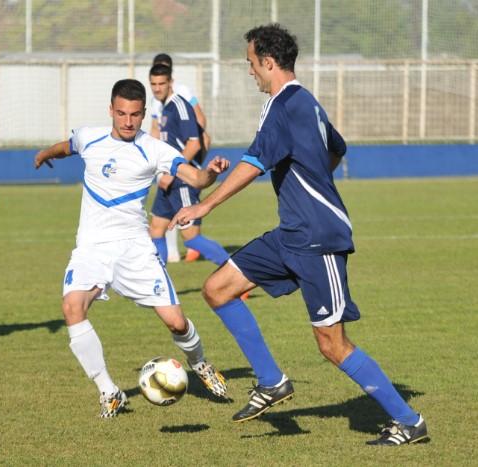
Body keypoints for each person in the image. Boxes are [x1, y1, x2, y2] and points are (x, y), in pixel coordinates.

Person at [169, 24, 428, 446]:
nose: (250, 71)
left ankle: (408, 420)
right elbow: (336, 149)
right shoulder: (304, 101)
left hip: (318, 238)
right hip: (292, 232)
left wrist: (204, 205)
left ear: (268, 63)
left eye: (251, 63)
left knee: (332, 344)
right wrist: (311, 175)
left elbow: (254, 162)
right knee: (217, 289)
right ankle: (272, 381)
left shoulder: (284, 105)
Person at [34, 78, 229, 418]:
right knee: (71, 308)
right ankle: (109, 391)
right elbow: (67, 146)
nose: (128, 121)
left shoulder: (153, 149)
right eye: (121, 113)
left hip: (135, 249)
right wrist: (44, 154)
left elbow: (195, 179)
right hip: (92, 247)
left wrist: (210, 173)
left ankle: (199, 364)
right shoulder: (89, 137)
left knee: (176, 323)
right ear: (111, 110)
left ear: (143, 115)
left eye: (135, 115)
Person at [148, 64, 230, 267]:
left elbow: (194, 143)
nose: (157, 88)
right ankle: (158, 284)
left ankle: (238, 275)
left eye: (161, 83)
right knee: (156, 230)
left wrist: (172, 172)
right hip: (169, 181)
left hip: (182, 180)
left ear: (171, 83)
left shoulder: (179, 106)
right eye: (153, 84)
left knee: (191, 238)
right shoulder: (164, 107)